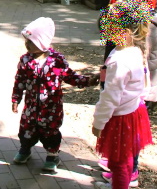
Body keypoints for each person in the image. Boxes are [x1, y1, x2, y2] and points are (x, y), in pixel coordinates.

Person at [98, 0, 157, 187]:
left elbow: (153, 62)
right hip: (123, 88)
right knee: (123, 143)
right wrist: (102, 78)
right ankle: (121, 171)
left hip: (132, 96)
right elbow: (109, 53)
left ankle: (130, 172)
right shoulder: (119, 16)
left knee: (128, 143)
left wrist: (151, 91)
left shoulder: (146, 24)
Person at [11, 17, 100, 172]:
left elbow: (70, 76)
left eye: (31, 41)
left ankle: (52, 155)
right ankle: (25, 149)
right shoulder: (25, 60)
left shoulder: (57, 60)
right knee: (26, 129)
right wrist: (15, 98)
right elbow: (20, 81)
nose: (26, 44)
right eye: (26, 41)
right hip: (31, 106)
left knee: (50, 131)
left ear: (42, 42)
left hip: (51, 108)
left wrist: (87, 81)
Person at [93, 0, 154, 189]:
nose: (106, 35)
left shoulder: (120, 61)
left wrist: (98, 123)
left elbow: (110, 97)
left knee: (119, 162)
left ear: (125, 33)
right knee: (123, 158)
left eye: (109, 30)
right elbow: (144, 83)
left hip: (119, 118)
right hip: (133, 112)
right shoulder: (135, 50)